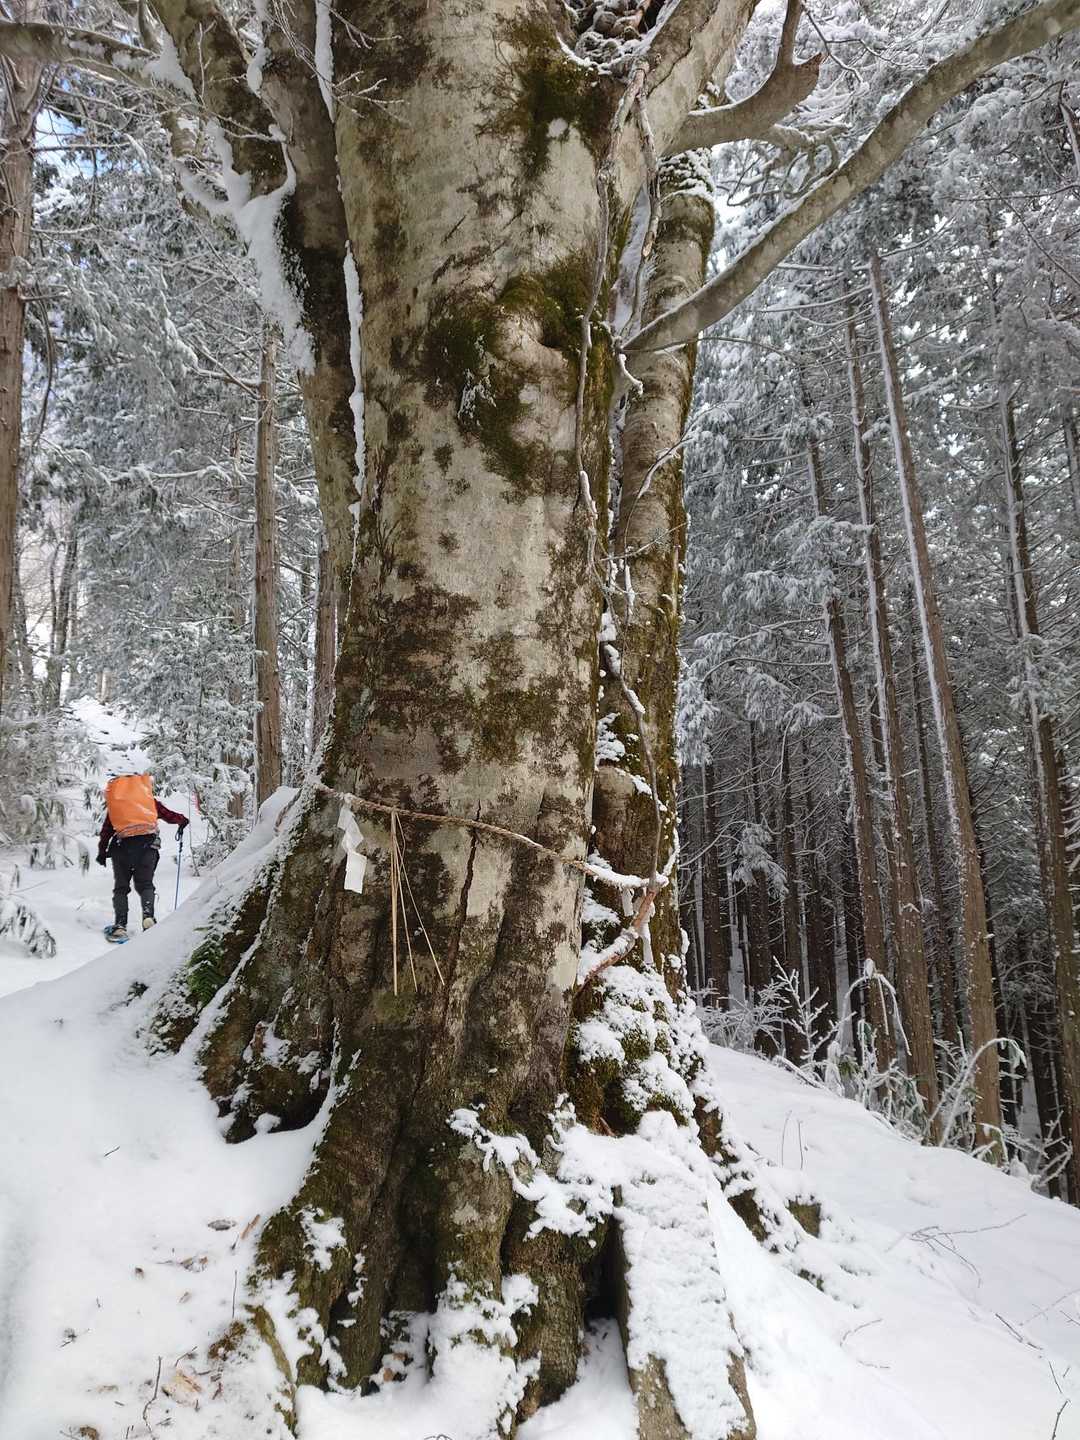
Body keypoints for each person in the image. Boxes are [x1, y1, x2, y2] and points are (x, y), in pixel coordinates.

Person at [96, 772, 188, 942]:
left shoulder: (118, 805)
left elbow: (106, 831)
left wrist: (102, 852)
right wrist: (182, 820)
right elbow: (168, 815)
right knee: (146, 884)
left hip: (121, 848)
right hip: (147, 848)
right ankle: (148, 918)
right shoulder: (148, 801)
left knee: (121, 887)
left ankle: (120, 926)